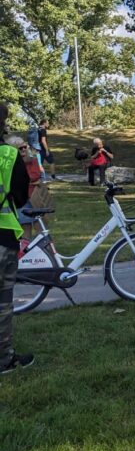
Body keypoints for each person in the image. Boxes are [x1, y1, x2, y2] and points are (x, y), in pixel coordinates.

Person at [0, 104, 34, 374]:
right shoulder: (8, 156)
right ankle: (4, 359)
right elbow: (21, 197)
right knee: (2, 303)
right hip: (2, 237)